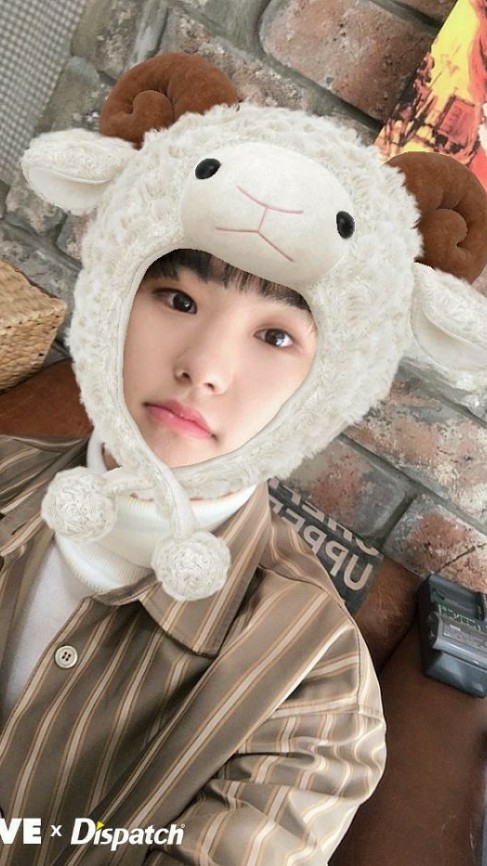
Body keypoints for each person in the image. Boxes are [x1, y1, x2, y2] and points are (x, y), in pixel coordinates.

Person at [2, 50, 486, 866]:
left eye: (275, 336)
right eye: (178, 298)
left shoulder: (316, 693)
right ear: (115, 295)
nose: (205, 367)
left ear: (335, 379)